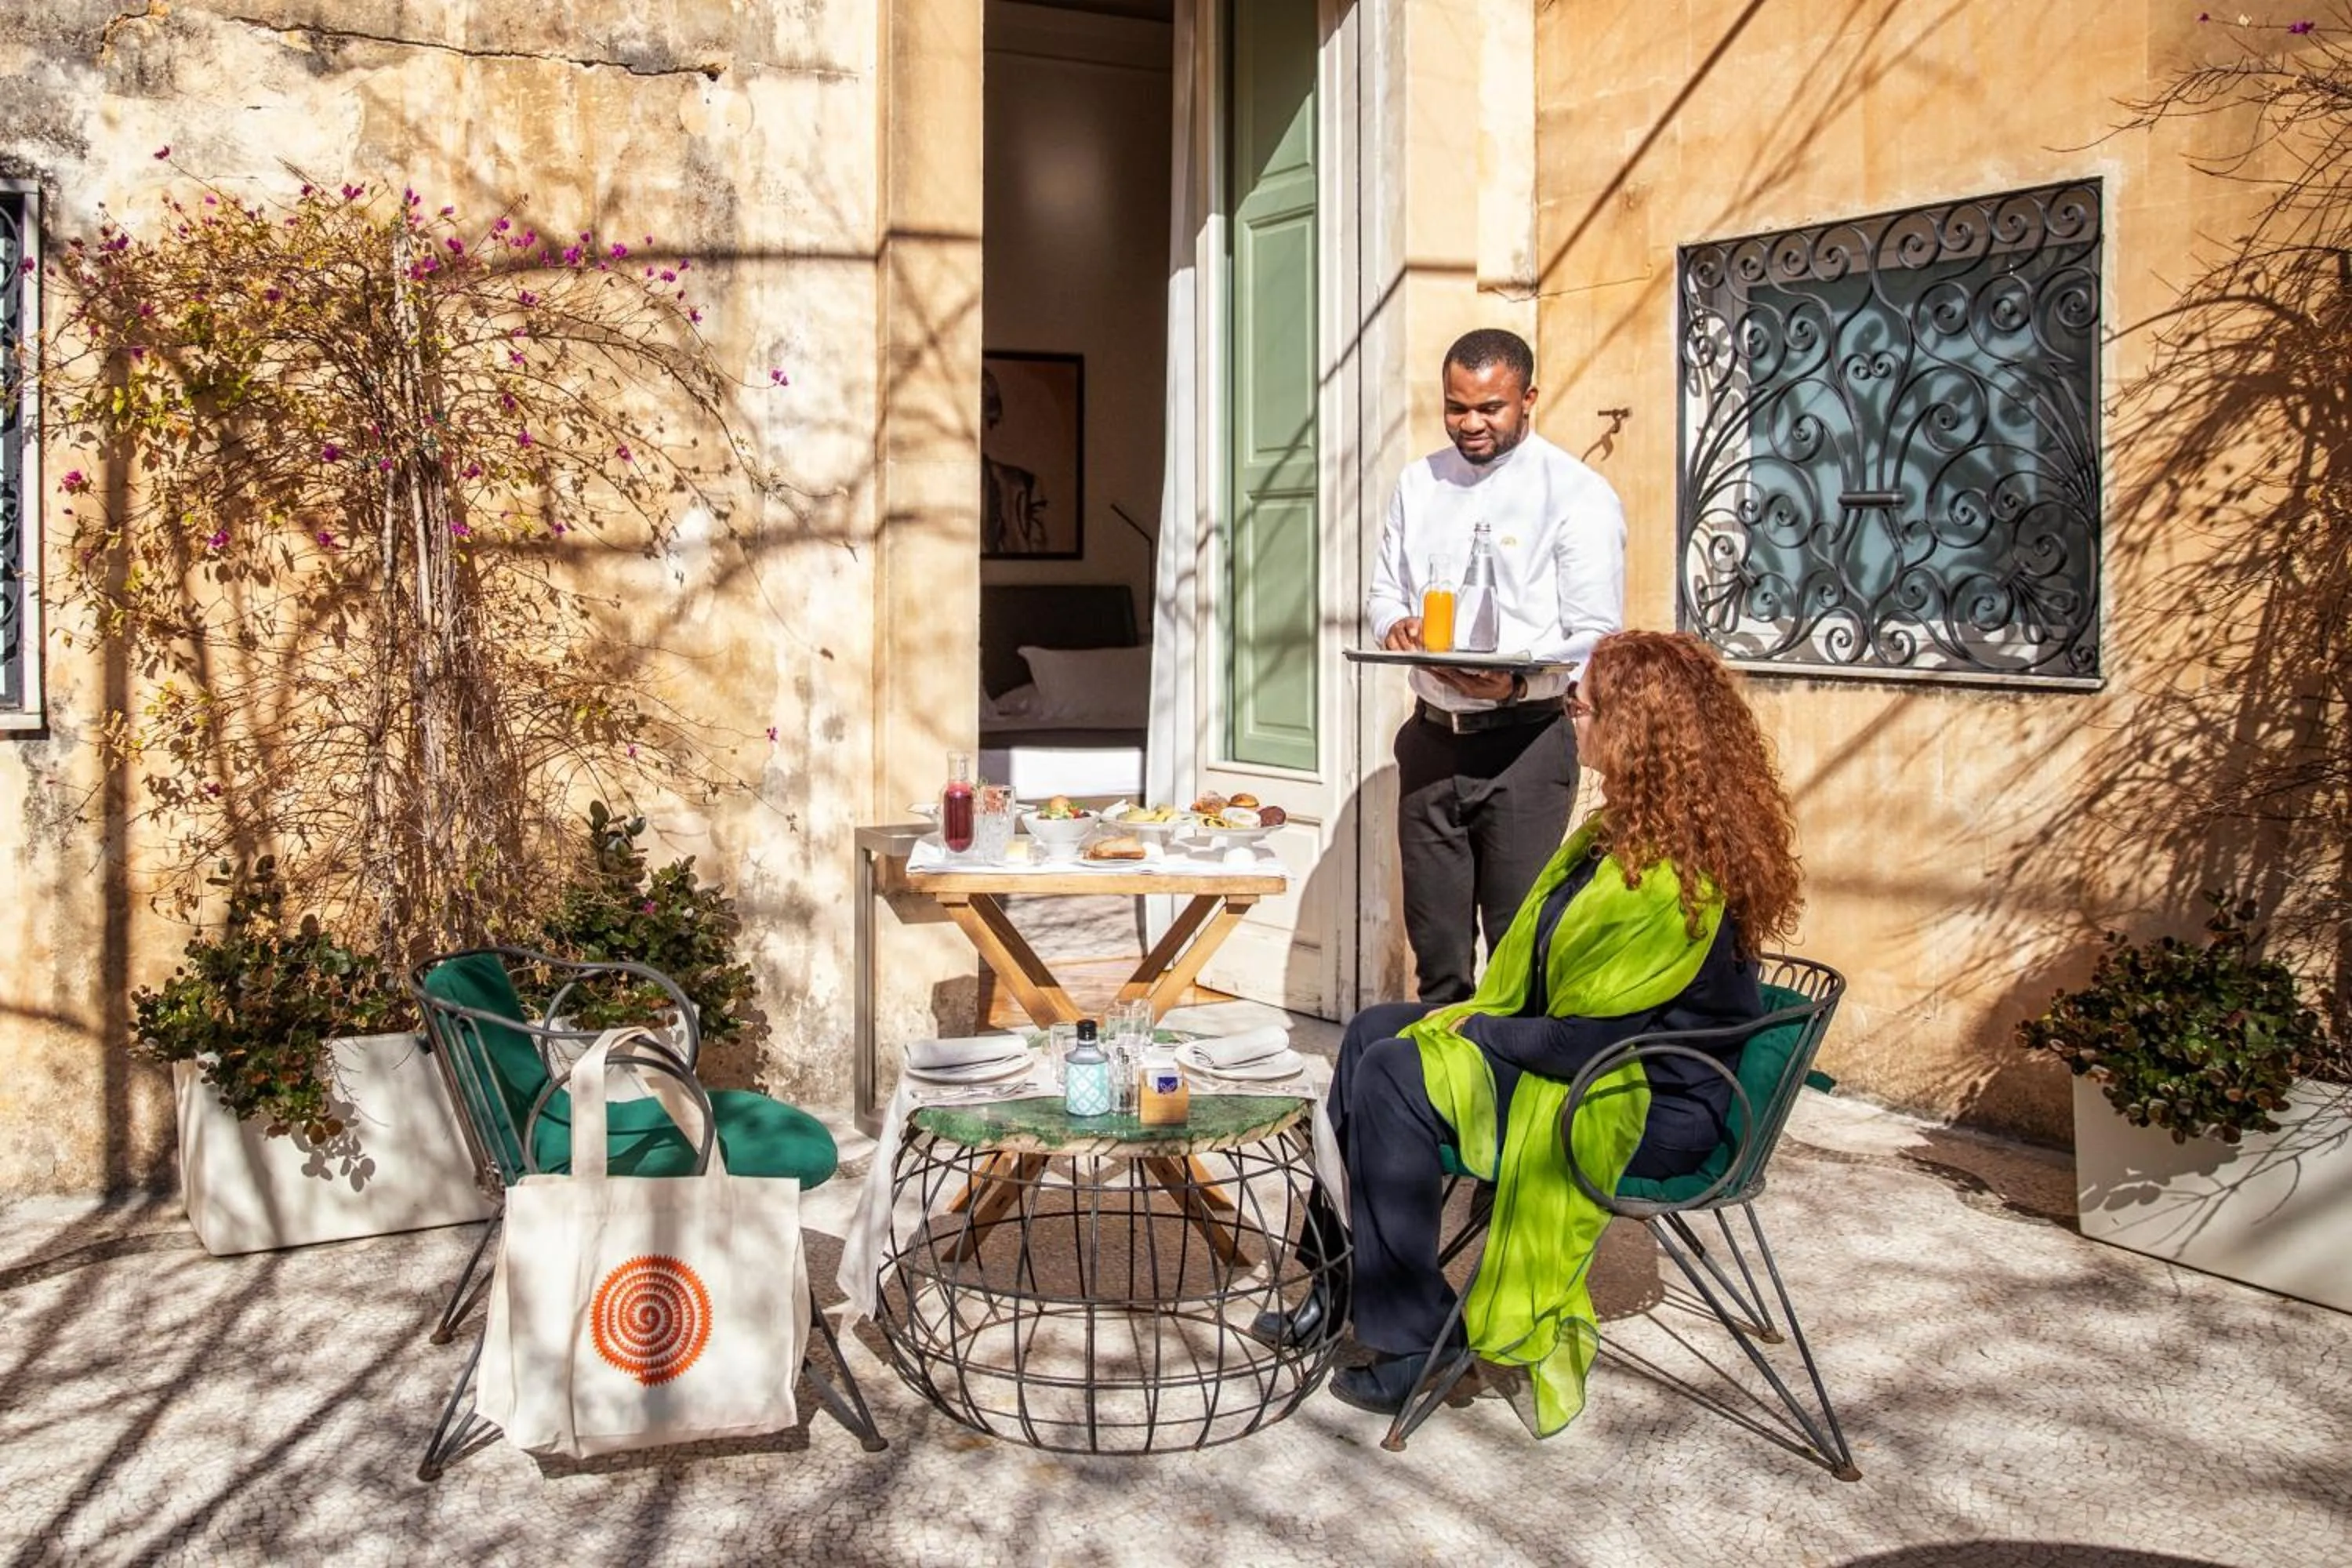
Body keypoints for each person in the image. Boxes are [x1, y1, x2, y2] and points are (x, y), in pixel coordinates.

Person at [1259, 631, 1804, 1428]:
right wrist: (1471, 1024)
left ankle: (1416, 1342)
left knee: (1394, 1073)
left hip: (1641, 1103)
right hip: (1593, 1057)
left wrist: (1473, 1032)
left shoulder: (1672, 879)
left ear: (1638, 730)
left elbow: (1583, 1044)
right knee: (1377, 1027)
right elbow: (1546, 998)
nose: (1571, 708)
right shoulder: (1614, 838)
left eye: (1584, 701)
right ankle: (1344, 1280)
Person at [1365, 328, 1627, 1006]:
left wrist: (1515, 681)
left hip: (1526, 745)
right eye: (1457, 408)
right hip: (1431, 740)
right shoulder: (1418, 483)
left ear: (1528, 399)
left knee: (1520, 947)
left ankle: (1512, 1099)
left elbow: (1597, 634)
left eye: (1490, 409)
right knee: (1438, 950)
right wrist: (1395, 624)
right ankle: (1435, 1100)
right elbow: (1384, 591)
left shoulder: (1576, 493)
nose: (1471, 424)